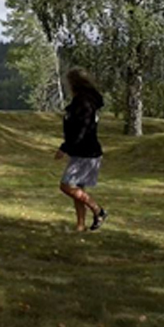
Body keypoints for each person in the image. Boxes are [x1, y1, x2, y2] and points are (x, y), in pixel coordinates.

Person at [56, 69, 108, 232]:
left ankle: (98, 210)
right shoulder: (85, 100)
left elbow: (81, 129)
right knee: (78, 188)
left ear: (74, 83)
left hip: (86, 152)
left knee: (66, 185)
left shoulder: (84, 103)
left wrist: (65, 147)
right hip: (83, 151)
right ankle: (80, 225)